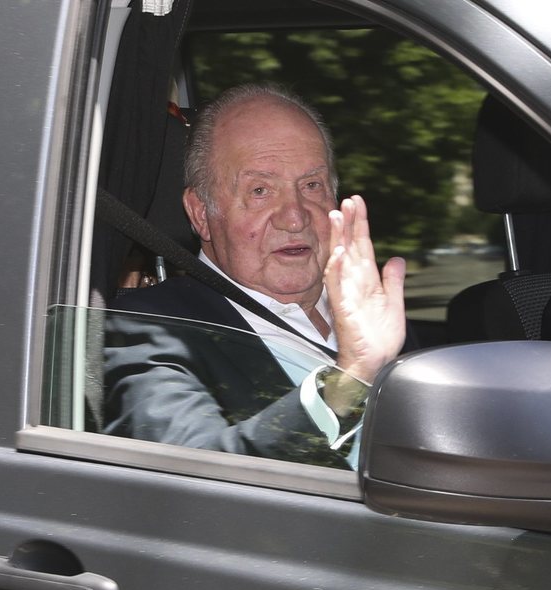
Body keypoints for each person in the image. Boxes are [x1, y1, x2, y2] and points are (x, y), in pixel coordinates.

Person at [102, 83, 407, 469]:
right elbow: (201, 481)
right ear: (201, 213)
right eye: (260, 190)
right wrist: (348, 382)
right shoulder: (145, 329)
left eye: (312, 185)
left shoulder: (378, 316)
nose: (295, 217)